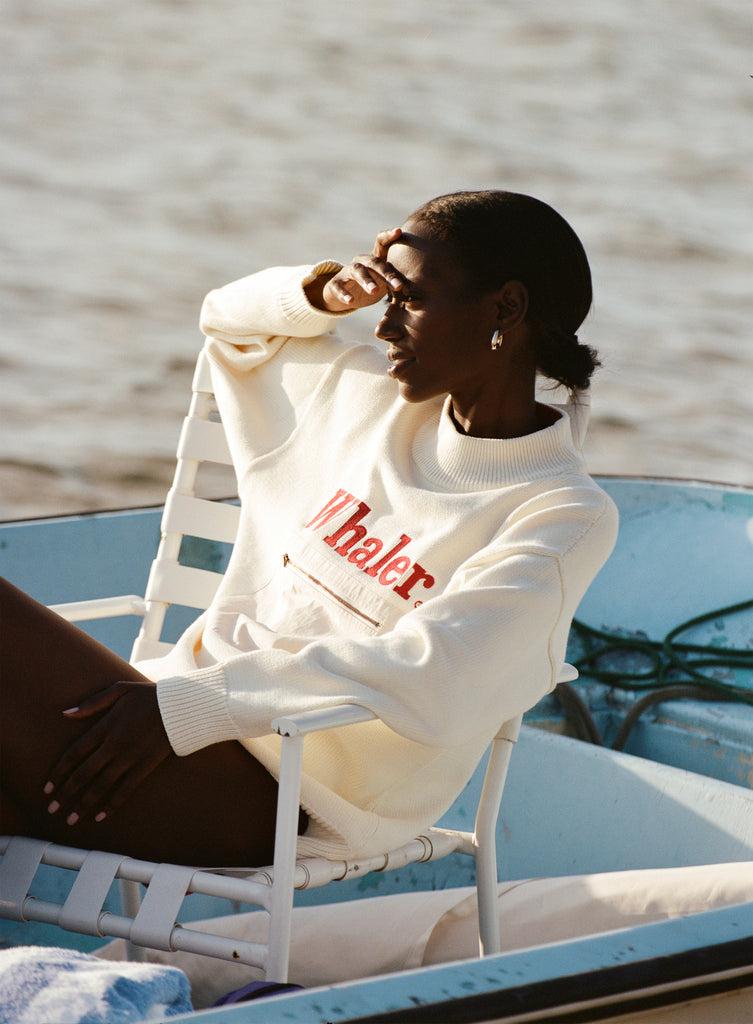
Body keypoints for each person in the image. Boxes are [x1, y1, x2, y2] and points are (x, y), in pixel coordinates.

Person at [0, 190, 618, 868]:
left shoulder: (561, 514)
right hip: (158, 725)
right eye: (385, 298)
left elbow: (436, 670)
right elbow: (227, 322)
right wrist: (326, 291)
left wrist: (195, 706)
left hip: (278, 797)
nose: (382, 328)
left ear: (504, 309)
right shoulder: (359, 398)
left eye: (408, 300)